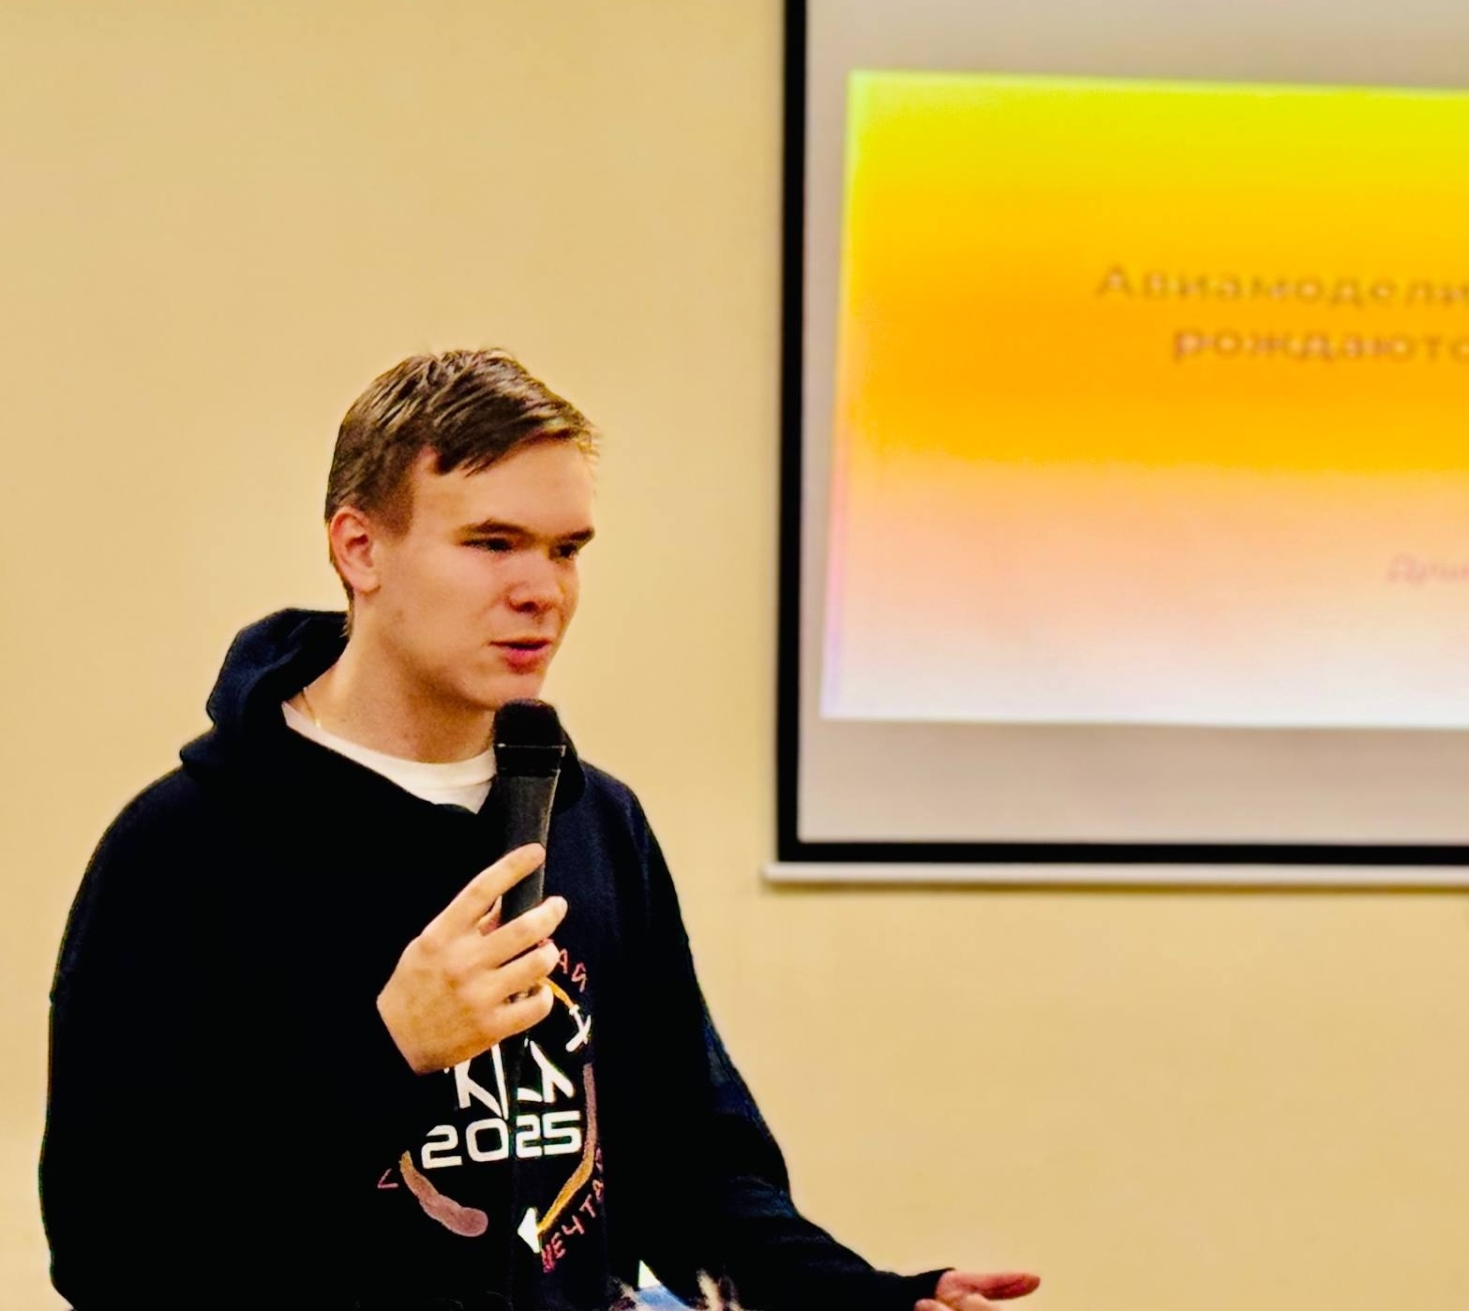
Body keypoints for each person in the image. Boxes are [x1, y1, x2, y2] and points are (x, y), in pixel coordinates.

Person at [42, 349, 1041, 1311]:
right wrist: (389, 1054)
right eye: (492, 543)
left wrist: (863, 1298)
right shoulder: (183, 848)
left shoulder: (592, 820)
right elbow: (112, 1252)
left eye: (566, 550)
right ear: (359, 549)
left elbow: (691, 1171)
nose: (542, 591)